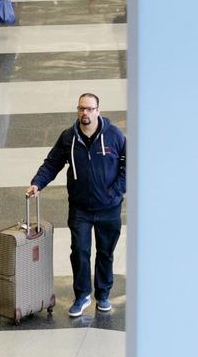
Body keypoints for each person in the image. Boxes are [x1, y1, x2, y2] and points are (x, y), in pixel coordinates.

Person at [26, 93, 127, 317]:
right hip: (80, 208)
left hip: (109, 209)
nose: (85, 113)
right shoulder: (69, 137)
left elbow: (129, 163)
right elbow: (52, 163)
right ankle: (82, 295)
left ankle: (103, 295)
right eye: (82, 108)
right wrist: (37, 183)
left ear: (98, 111)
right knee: (79, 251)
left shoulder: (114, 135)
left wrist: (117, 190)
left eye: (90, 109)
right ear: (77, 111)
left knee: (105, 253)